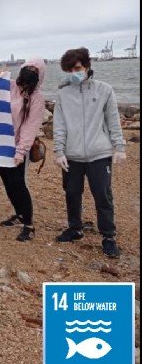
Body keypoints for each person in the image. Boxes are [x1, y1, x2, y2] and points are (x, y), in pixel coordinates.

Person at [53, 47, 126, 258]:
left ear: (87, 66)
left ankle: (108, 236)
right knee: (72, 193)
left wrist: (119, 147)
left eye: (76, 68)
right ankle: (75, 229)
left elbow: (113, 120)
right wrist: (59, 151)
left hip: (99, 153)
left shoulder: (104, 90)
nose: (73, 73)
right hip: (72, 155)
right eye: (69, 70)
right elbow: (60, 125)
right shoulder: (63, 93)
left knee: (102, 195)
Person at [0, 57, 46, 241]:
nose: (30, 70)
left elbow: (30, 127)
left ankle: (29, 224)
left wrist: (21, 151)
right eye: (28, 67)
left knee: (18, 184)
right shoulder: (10, 87)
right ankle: (19, 214)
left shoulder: (36, 98)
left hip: (17, 147)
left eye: (35, 69)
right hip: (0, 145)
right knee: (7, 182)